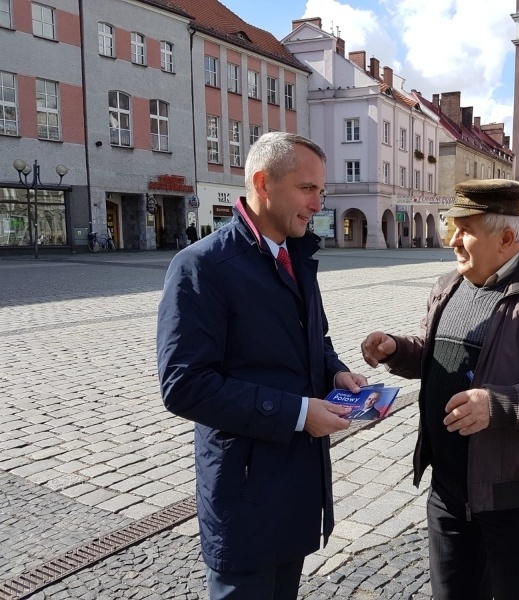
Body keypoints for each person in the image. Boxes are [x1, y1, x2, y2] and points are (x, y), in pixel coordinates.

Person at [361, 179, 519, 600]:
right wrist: (398, 350)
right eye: (453, 228)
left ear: (507, 238)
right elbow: (438, 353)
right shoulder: (448, 286)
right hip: (448, 491)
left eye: (465, 230)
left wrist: (500, 405)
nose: (453, 241)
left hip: (516, 498)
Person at [157, 132, 368, 600]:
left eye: (320, 190)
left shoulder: (297, 255)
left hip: (296, 483)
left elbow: (315, 340)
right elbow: (184, 385)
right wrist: (299, 413)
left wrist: (335, 372)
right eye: (307, 188)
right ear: (262, 183)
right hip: (245, 491)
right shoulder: (202, 266)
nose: (317, 204)